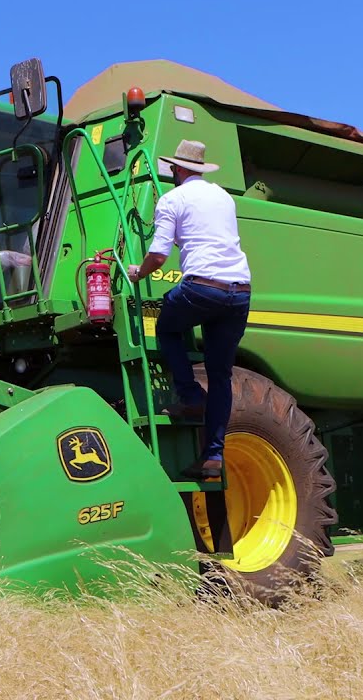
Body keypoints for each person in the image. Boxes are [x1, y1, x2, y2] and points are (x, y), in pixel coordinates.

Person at [128, 140, 251, 479]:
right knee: (221, 373)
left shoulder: (173, 199)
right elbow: (209, 237)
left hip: (202, 287)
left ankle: (189, 393)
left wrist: (138, 273)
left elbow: (158, 255)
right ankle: (213, 456)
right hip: (240, 290)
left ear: (176, 169)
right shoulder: (223, 197)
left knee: (167, 326)